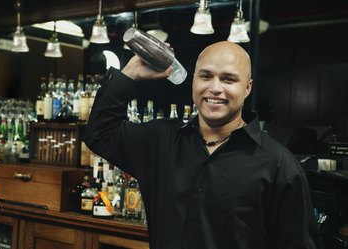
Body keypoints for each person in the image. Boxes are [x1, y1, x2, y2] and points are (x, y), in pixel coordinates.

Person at [83, 41, 324, 249]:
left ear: (247, 87)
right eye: (206, 76)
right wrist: (131, 72)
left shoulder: (279, 166)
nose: (215, 88)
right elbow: (99, 133)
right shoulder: (160, 139)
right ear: (193, 81)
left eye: (228, 79)